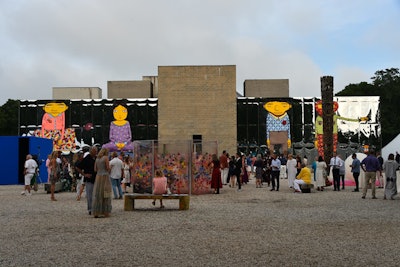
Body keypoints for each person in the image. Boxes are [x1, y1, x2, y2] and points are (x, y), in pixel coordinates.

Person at [76, 146, 98, 215]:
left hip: (96, 178)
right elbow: (78, 167)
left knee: (96, 194)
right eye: (94, 151)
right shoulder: (87, 158)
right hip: (89, 179)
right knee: (90, 194)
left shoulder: (96, 158)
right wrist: (84, 174)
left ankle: (96, 207)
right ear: (91, 151)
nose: (96, 153)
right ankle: (90, 208)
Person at [92, 148, 112, 218]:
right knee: (105, 193)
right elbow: (107, 168)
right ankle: (105, 211)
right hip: (105, 177)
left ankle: (96, 211)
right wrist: (110, 168)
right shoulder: (106, 158)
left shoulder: (97, 159)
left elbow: (95, 169)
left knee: (98, 194)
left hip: (98, 177)